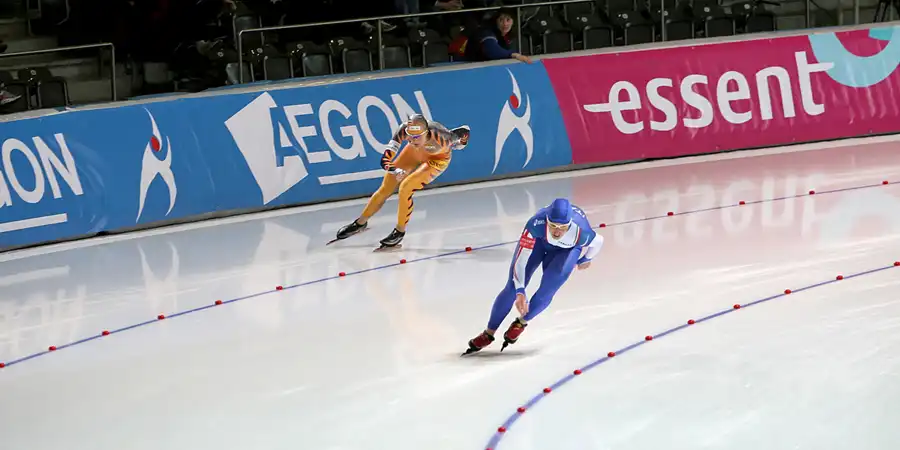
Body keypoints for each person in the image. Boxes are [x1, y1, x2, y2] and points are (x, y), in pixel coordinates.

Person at [463, 198, 604, 355]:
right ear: (547, 221)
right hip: (539, 242)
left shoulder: (581, 232)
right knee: (512, 288)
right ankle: (488, 333)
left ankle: (521, 323)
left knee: (548, 289)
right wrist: (520, 291)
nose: (557, 232)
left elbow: (598, 242)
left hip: (566, 251)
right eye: (553, 226)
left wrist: (586, 258)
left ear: (569, 224)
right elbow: (520, 261)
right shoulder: (535, 224)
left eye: (562, 228)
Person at [334, 114, 470, 249]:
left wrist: (462, 144)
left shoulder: (443, 137)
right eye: (409, 136)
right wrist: (396, 170)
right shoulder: (404, 131)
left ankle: (399, 231)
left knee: (405, 188)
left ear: (426, 133)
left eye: (416, 137)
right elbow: (385, 160)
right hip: (414, 153)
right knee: (386, 188)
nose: (411, 139)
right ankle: (360, 223)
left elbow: (465, 131)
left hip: (437, 160)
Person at [450, 9, 532, 64]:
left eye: (508, 20)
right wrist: (513, 54)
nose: (505, 24)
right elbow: (491, 50)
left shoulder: (507, 36)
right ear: (495, 21)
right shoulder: (486, 32)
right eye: (501, 20)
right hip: (468, 67)